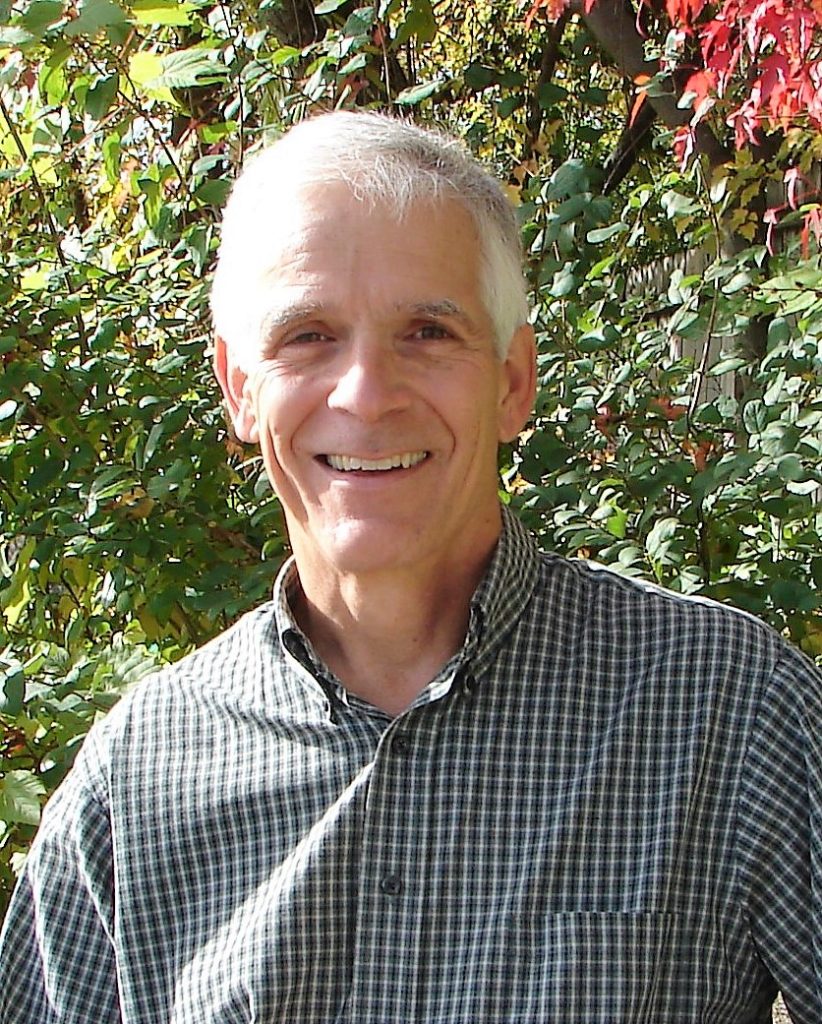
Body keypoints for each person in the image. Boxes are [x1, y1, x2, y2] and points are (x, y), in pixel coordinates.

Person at [0, 111, 819, 1024]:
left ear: (513, 382)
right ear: (239, 387)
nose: (366, 393)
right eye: (308, 334)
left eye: (428, 331)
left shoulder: (730, 710)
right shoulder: (138, 780)